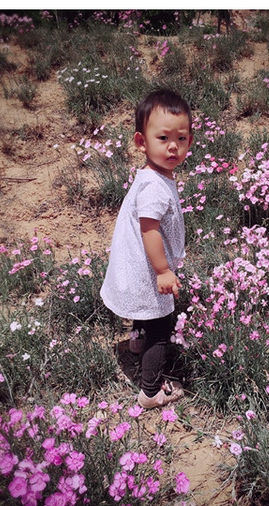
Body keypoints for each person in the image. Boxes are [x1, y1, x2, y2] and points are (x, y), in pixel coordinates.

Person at [101, 89, 193, 408]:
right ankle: (151, 392)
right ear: (142, 142)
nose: (172, 146)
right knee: (160, 325)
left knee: (145, 313)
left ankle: (136, 344)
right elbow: (149, 229)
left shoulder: (154, 175)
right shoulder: (155, 185)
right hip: (148, 268)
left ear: (189, 142)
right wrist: (163, 270)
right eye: (163, 137)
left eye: (181, 139)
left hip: (138, 265)